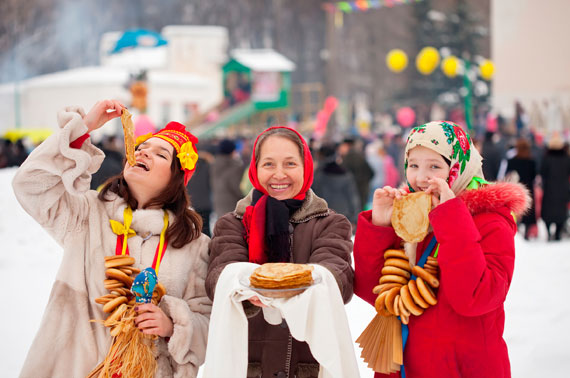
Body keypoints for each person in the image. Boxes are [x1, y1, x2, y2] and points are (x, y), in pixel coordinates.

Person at [12, 100, 211, 378]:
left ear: (177, 178)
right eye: (140, 148)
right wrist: (83, 130)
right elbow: (29, 184)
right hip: (73, 368)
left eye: (161, 154)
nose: (142, 153)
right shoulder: (86, 214)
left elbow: (209, 323)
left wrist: (172, 325)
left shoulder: (196, 246)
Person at [353, 121, 530, 378]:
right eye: (413, 165)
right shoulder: (409, 213)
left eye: (434, 166)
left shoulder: (491, 221)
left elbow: (475, 298)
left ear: (458, 167)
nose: (421, 177)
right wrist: (381, 225)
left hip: (464, 368)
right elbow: (376, 294)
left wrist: (450, 217)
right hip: (405, 366)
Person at [206, 126, 354, 378]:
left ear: (306, 167)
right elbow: (219, 276)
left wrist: (300, 284)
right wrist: (243, 289)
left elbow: (338, 277)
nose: (279, 174)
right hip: (250, 367)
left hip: (307, 366)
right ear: (254, 168)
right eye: (269, 164)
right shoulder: (232, 223)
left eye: (290, 164)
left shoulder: (330, 223)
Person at [312, 143, 360, 226]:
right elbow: (352, 196)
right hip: (344, 214)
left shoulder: (318, 175)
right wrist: (354, 217)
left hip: (323, 215)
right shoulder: (346, 174)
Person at [506, 138, 538, 239]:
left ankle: (518, 228)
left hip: (517, 189)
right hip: (528, 189)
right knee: (529, 211)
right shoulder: (531, 161)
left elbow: (508, 174)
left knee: (517, 210)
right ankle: (527, 232)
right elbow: (534, 176)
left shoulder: (512, 161)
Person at [540, 133, 570, 241]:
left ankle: (548, 232)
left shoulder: (547, 158)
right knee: (561, 213)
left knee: (548, 212)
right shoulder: (566, 158)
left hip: (550, 189)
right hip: (563, 189)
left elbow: (542, 172)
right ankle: (557, 233)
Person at [211, 138, 244, 220]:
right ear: (232, 151)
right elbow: (238, 189)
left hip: (219, 205)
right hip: (233, 206)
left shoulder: (214, 165)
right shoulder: (234, 167)